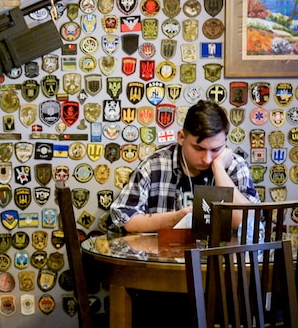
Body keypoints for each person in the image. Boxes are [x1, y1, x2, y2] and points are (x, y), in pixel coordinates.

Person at [109, 99, 259, 233]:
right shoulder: (154, 165)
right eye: (198, 148)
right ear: (181, 138)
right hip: (162, 258)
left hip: (218, 260)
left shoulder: (235, 165)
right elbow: (124, 218)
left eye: (215, 150)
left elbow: (250, 222)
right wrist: (175, 218)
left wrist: (219, 168)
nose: (206, 159)